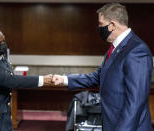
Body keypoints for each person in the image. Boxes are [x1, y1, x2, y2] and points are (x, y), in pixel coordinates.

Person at [52, 3, 153, 131]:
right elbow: (98, 76)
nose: (99, 27)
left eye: (100, 24)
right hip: (112, 122)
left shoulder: (136, 50)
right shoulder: (115, 48)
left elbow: (135, 102)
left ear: (112, 25)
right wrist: (64, 79)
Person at [0, 26, 52, 131]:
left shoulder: (2, 60)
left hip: (3, 113)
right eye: (0, 40)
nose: (3, 42)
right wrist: (41, 80)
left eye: (3, 39)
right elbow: (8, 80)